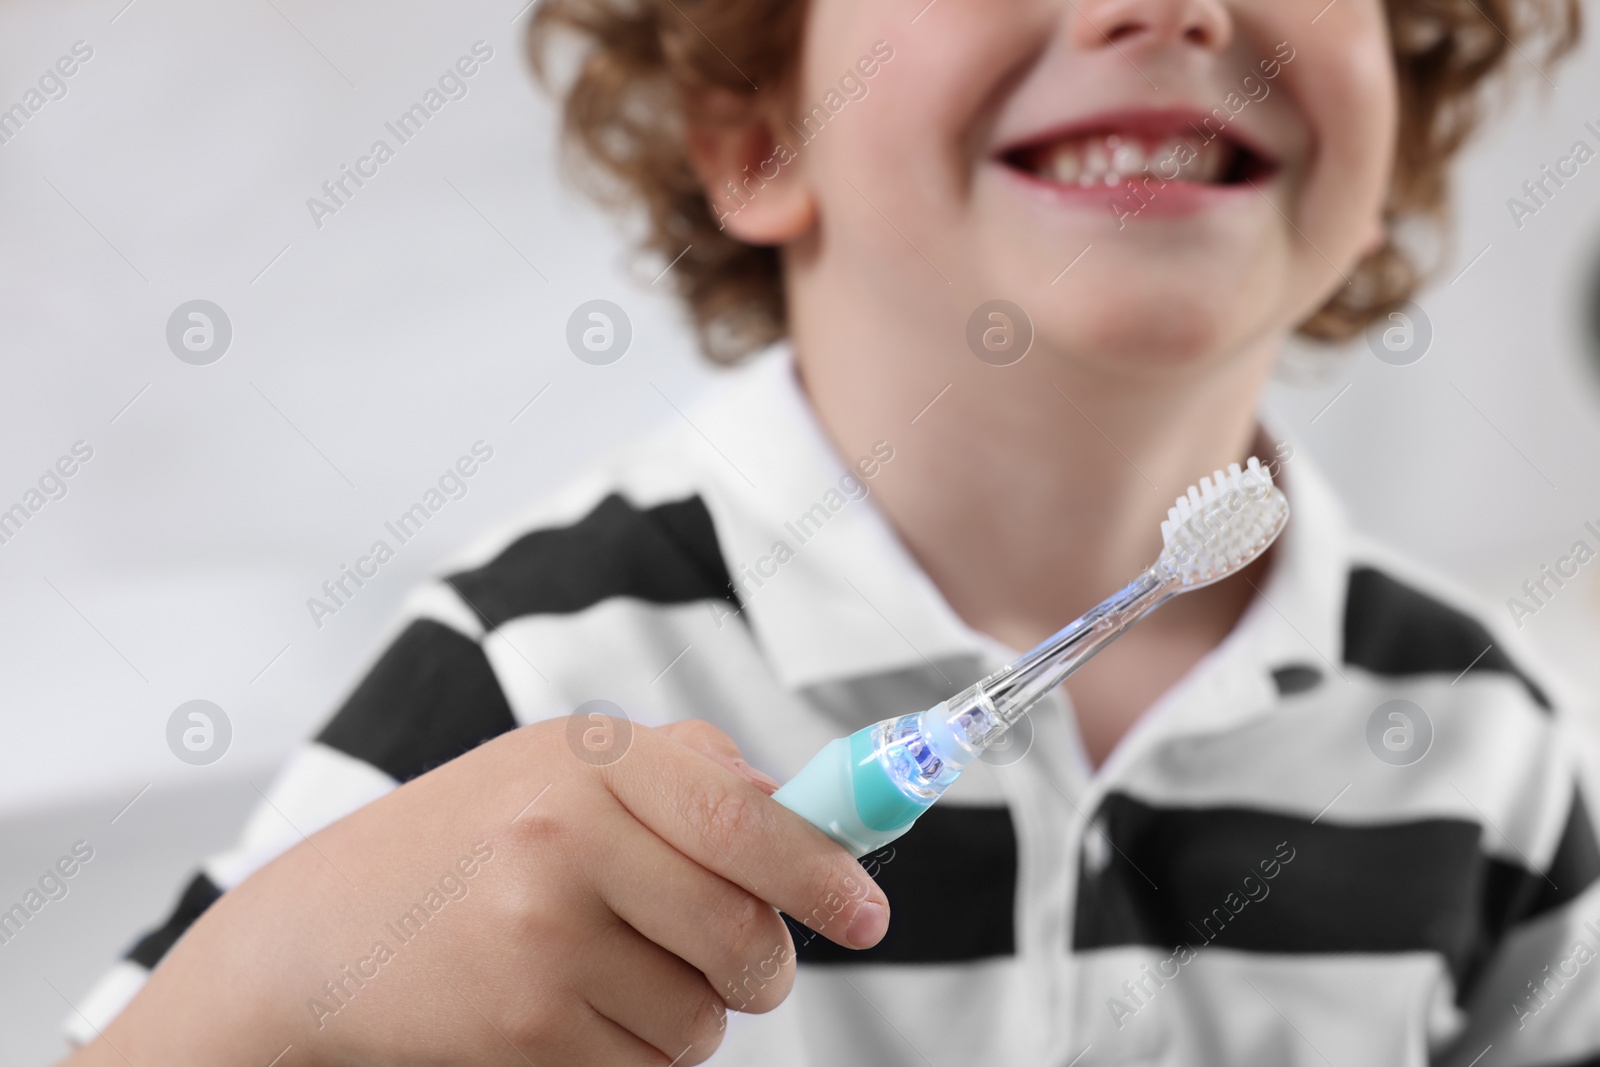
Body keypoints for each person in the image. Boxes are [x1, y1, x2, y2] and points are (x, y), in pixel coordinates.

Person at [64, 0, 1596, 1064]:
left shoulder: (1480, 737)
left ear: (1392, 154)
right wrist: (281, 992)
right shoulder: (528, 679)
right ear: (758, 141)